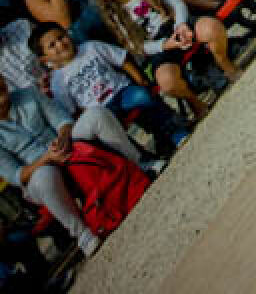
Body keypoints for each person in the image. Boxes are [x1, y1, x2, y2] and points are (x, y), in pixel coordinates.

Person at [0, 73, 147, 260]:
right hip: (37, 173)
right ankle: (83, 234)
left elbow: (63, 121)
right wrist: (47, 158)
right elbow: (16, 175)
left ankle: (139, 166)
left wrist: (62, 139)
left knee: (96, 114)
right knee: (44, 175)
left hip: (66, 145)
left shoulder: (29, 94)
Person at [88, 0, 240, 107]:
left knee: (211, 28)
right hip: (160, 46)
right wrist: (165, 44)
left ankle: (226, 65)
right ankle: (196, 104)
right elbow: (138, 46)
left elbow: (177, 4)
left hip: (177, 24)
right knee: (167, 82)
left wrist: (181, 26)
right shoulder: (115, 15)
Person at [30, 23, 189, 159]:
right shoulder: (58, 81)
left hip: (122, 91)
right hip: (102, 110)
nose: (60, 44)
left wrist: (140, 80)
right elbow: (72, 112)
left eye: (61, 37)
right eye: (52, 45)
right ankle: (141, 157)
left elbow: (123, 59)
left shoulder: (90, 47)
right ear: (45, 59)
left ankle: (173, 131)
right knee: (107, 132)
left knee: (142, 96)